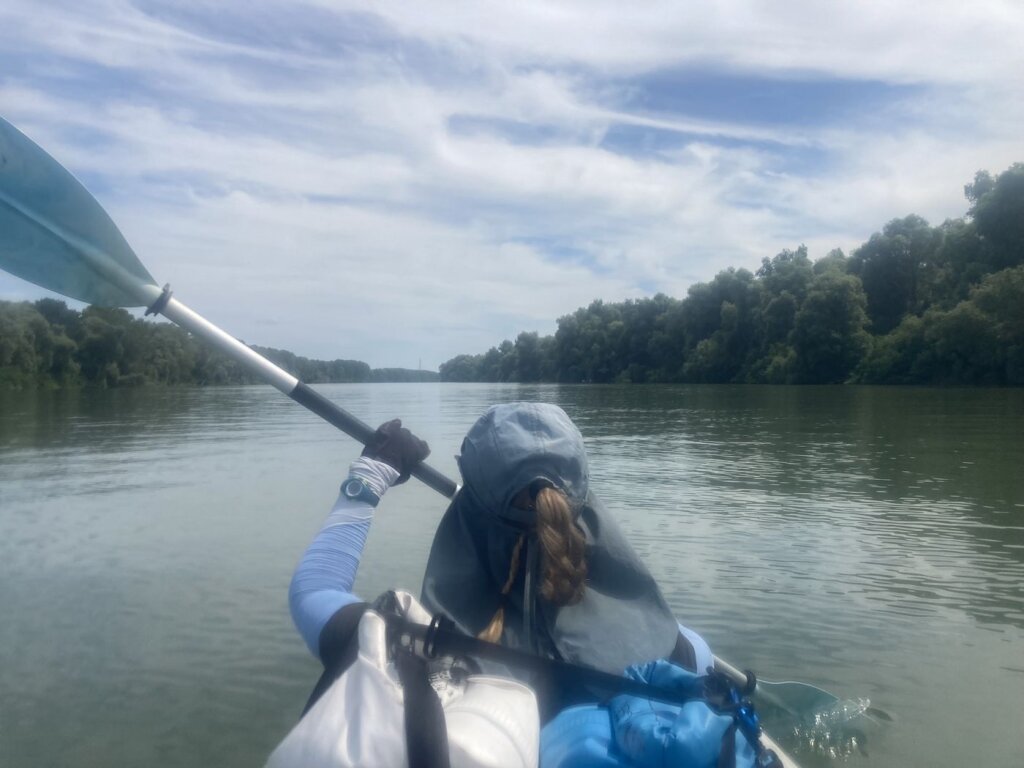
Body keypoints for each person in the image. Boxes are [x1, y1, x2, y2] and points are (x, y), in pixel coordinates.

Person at [278, 402, 716, 765]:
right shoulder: (682, 653)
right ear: (585, 506)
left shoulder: (403, 654)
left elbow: (313, 590)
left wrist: (372, 473)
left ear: (467, 511)